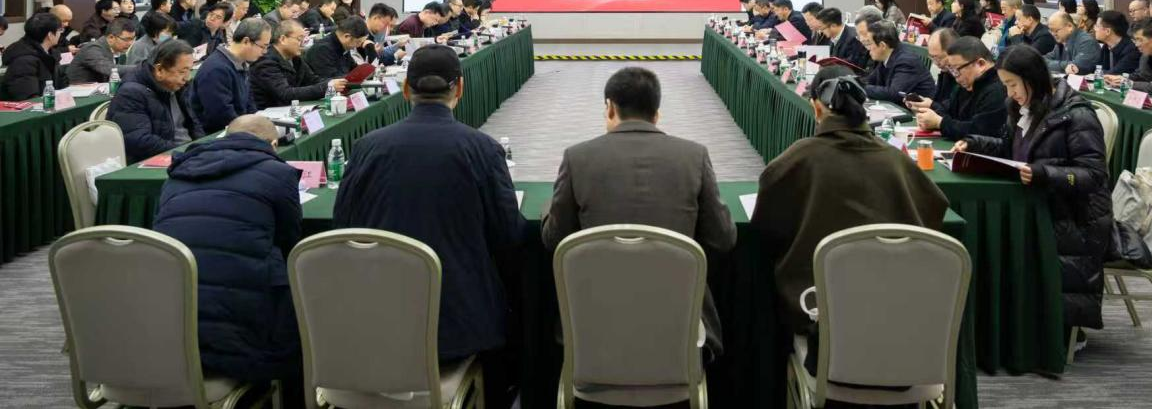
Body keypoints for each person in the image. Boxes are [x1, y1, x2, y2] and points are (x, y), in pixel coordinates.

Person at [334, 46, 526, 409]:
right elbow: (508, 236)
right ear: (460, 88)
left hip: (376, 323)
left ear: (406, 89)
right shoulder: (483, 149)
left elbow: (343, 225)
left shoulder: (366, 147)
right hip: (457, 329)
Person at [542, 66, 737, 357]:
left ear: (610, 108)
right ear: (656, 114)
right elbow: (724, 238)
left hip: (593, 331)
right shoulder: (694, 156)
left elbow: (554, 239)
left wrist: (550, 205)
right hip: (680, 331)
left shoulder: (577, 158)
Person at [751, 67, 947, 344]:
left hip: (817, 305)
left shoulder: (797, 159)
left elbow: (765, 231)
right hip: (896, 305)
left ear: (816, 108)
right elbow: (933, 211)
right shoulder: (896, 160)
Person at [953, 45, 1113, 340]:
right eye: (1005, 85)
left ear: (1032, 79)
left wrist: (1043, 174)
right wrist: (974, 143)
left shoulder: (1076, 115)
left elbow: (1093, 175)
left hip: (1073, 216)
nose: (1010, 93)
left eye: (1013, 84)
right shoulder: (1022, 107)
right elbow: (1009, 149)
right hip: (1037, 202)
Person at [152, 114, 302, 394]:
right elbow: (289, 242)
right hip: (241, 335)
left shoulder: (178, 173)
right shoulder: (279, 174)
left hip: (170, 325)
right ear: (273, 145)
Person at [108, 39, 202, 163]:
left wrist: (201, 146)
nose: (187, 78)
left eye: (190, 70)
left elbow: (194, 124)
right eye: (182, 72)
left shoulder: (178, 86)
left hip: (186, 153)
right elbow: (140, 141)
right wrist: (183, 153)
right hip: (162, 159)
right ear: (159, 70)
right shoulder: (131, 93)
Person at [915, 36, 1008, 140]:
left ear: (981, 64)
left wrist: (940, 123)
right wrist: (930, 114)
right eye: (952, 70)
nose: (956, 78)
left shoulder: (997, 90)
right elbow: (949, 111)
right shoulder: (968, 83)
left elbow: (980, 132)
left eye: (957, 70)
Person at [191, 18, 268, 134]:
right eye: (263, 46)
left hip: (240, 128)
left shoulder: (241, 62)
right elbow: (221, 115)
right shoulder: (216, 69)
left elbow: (249, 101)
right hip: (221, 134)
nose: (265, 52)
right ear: (246, 41)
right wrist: (251, 130)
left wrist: (255, 122)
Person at [251, 20, 346, 109]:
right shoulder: (265, 62)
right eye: (299, 39)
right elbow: (285, 94)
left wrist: (340, 82)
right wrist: (326, 87)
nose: (303, 44)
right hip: (270, 112)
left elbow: (313, 80)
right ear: (283, 39)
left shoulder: (295, 58)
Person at [861, 19, 935, 102]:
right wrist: (855, 83)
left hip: (917, 108)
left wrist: (861, 87)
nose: (868, 48)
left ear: (882, 45)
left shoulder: (906, 61)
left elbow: (894, 94)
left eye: (870, 44)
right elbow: (870, 80)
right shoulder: (887, 55)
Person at [0, 13, 67, 100]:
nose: (60, 34)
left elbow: (63, 83)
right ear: (50, 35)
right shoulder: (23, 61)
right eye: (60, 30)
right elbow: (29, 98)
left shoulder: (51, 54)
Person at [66, 18, 137, 84]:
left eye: (133, 39)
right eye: (126, 39)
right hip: (80, 91)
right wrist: (140, 68)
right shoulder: (92, 49)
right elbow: (109, 69)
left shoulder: (115, 50)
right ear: (111, 37)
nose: (130, 43)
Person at [905, 27, 959, 113]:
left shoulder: (963, 77)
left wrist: (931, 105)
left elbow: (954, 110)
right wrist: (922, 104)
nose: (936, 63)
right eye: (932, 57)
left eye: (939, 57)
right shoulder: (945, 73)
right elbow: (939, 104)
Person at [304, 17, 369, 81]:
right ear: (347, 36)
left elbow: (353, 69)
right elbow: (332, 80)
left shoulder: (343, 46)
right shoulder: (322, 50)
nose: (358, 46)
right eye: (358, 42)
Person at [1045, 11, 1100, 75]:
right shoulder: (1062, 41)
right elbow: (1043, 60)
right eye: (1051, 30)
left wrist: (1056, 64)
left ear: (1069, 26)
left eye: (1056, 30)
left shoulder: (1086, 41)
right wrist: (1065, 65)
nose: (1053, 34)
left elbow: (1077, 66)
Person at [1093, 10, 1140, 76]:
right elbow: (1098, 68)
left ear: (1107, 31)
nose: (1094, 29)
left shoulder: (1132, 50)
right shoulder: (1106, 46)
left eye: (1097, 26)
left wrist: (1100, 73)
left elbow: (1115, 73)